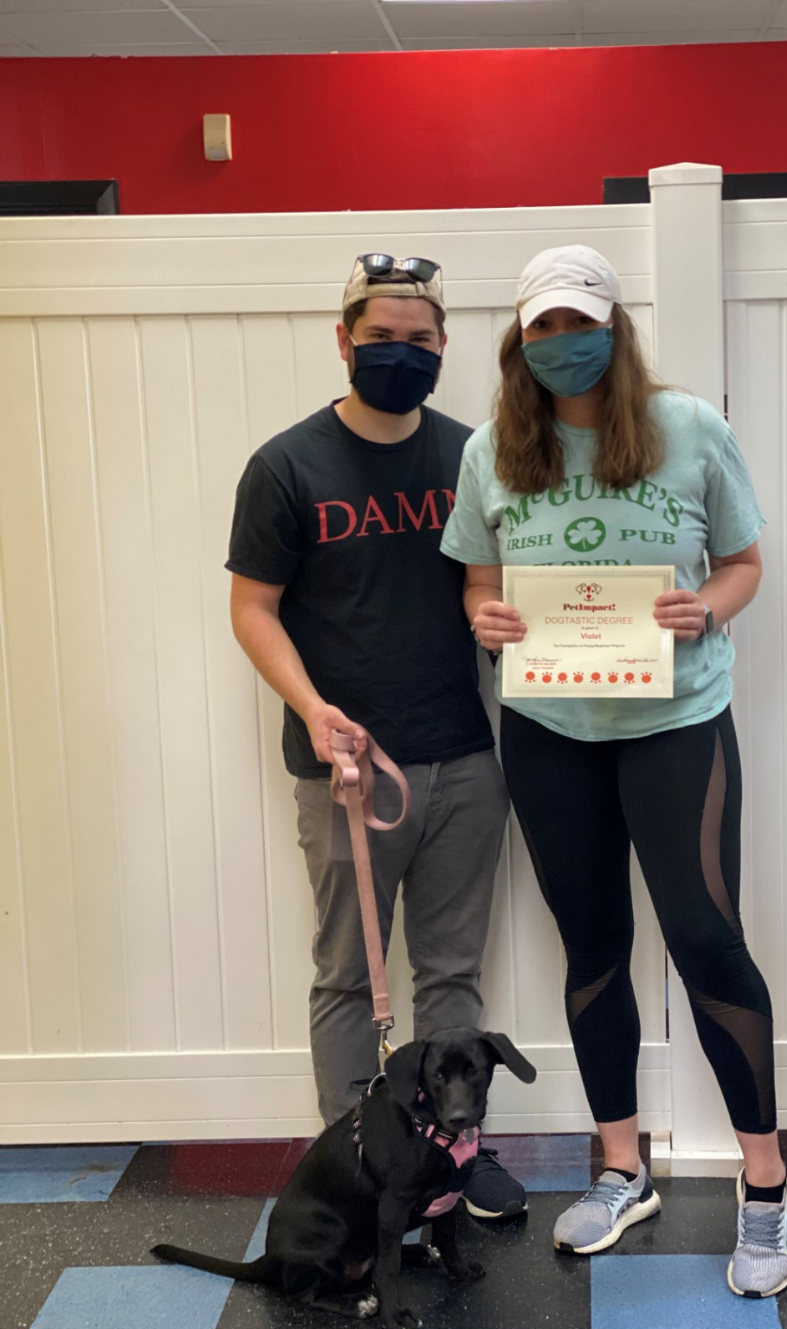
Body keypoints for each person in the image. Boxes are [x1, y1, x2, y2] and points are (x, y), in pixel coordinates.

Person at [440, 245, 787, 1295]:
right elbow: (476, 586)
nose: (561, 343)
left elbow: (742, 564)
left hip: (676, 721)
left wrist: (707, 608)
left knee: (704, 938)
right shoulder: (492, 449)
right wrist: (484, 616)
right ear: (518, 338)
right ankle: (618, 1166)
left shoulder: (688, 428)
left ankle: (765, 1185)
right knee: (591, 944)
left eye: (577, 323)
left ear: (613, 326)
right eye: (541, 327)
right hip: (550, 728)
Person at [226, 253, 525, 1219]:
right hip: (346, 772)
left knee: (450, 975)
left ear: (444, 348)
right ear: (343, 338)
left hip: (466, 759)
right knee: (349, 975)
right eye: (381, 338)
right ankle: (354, 1164)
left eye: (420, 340)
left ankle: (456, 1161)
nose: (400, 354)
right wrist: (313, 710)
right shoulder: (285, 465)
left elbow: (499, 584)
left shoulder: (472, 456)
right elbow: (253, 609)